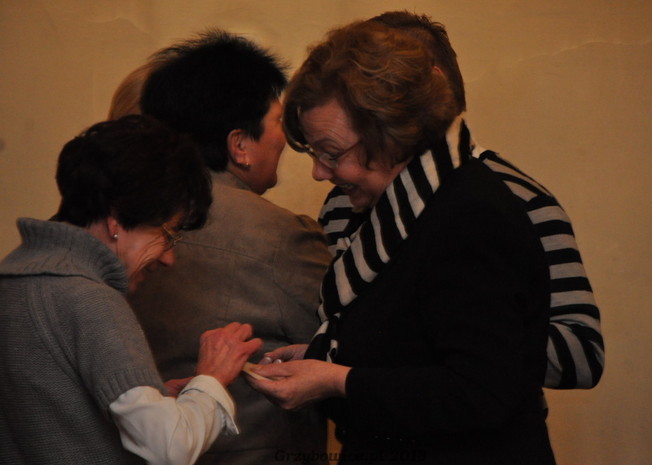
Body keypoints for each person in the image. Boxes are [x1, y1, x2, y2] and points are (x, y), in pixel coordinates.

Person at [248, 20, 559, 464]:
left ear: (391, 133)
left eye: (332, 153)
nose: (319, 173)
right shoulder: (403, 208)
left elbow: (479, 391)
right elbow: (409, 343)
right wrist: (323, 355)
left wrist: (336, 380)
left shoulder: (470, 216)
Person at [318, 11, 604, 390]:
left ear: (428, 88)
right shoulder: (342, 203)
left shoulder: (519, 198)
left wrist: (446, 337)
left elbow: (583, 356)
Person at [0, 115, 263, 465]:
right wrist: (211, 379)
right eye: (167, 234)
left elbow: (51, 412)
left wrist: (156, 400)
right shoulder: (90, 299)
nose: (168, 258)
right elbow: (168, 447)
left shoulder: (13, 279)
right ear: (117, 220)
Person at [125, 30, 332, 464]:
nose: (285, 139)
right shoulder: (282, 236)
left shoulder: (127, 219)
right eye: (278, 121)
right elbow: (338, 341)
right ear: (239, 145)